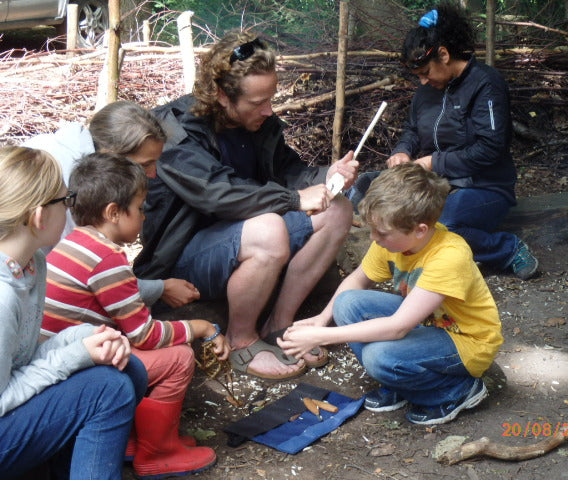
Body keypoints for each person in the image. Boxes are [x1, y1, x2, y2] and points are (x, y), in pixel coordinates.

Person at [133, 30, 359, 381]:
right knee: (267, 228)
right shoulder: (174, 132)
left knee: (338, 209)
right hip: (184, 257)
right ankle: (241, 340)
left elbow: (289, 172)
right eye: (258, 102)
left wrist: (328, 176)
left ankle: (280, 325)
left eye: (271, 98)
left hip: (246, 238)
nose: (269, 110)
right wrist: (295, 199)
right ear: (222, 96)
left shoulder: (260, 123)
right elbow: (217, 193)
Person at [42, 153, 230, 479]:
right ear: (114, 212)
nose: (144, 216)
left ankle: (132, 439)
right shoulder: (106, 260)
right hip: (71, 371)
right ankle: (157, 452)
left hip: (60, 356)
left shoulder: (75, 242)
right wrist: (201, 327)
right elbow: (145, 335)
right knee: (179, 358)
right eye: (140, 208)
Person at [279, 163, 503, 426]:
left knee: (380, 358)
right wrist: (321, 319)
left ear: (420, 229)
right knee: (346, 303)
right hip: (430, 324)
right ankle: (403, 382)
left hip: (467, 342)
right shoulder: (395, 239)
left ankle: (455, 391)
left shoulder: (449, 256)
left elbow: (397, 328)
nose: (373, 238)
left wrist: (321, 335)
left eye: (381, 233)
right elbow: (357, 279)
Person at [353, 4, 538, 280]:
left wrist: (432, 162)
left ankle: (507, 249)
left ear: (444, 54)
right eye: (419, 76)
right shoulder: (426, 91)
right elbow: (412, 131)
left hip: (484, 185)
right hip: (437, 182)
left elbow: (490, 148)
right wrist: (403, 152)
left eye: (426, 72)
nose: (424, 81)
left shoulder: (485, 84)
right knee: (364, 185)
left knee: (442, 225)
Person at [0, 146, 147, 479]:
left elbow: (22, 358)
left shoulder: (32, 262)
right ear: (38, 216)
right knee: (108, 388)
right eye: (65, 202)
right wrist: (76, 356)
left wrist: (86, 337)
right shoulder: (3, 296)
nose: (71, 211)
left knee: (130, 370)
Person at [22, 100, 200, 309]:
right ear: (111, 153)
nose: (153, 175)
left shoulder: (73, 155)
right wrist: (159, 289)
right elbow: (81, 274)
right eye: (144, 165)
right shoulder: (68, 181)